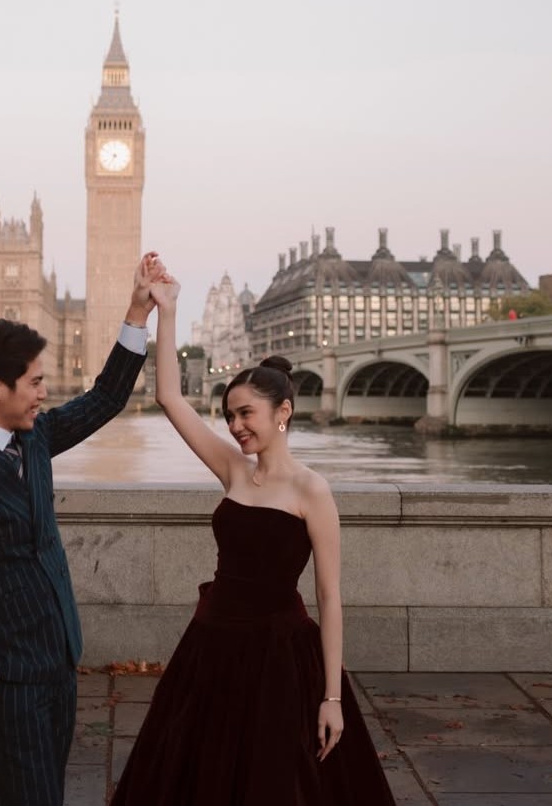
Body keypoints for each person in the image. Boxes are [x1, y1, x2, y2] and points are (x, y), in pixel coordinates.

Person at [112, 264, 396, 805]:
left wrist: (332, 697)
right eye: (229, 416)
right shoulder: (233, 469)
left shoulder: (313, 491)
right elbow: (170, 396)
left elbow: (330, 597)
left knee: (271, 779)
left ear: (282, 412)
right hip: (212, 644)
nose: (235, 425)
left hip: (278, 657)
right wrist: (167, 310)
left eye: (246, 414)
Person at [0, 253, 164, 806]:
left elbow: (105, 399)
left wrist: (137, 313)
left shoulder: (35, 438)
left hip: (58, 665)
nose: (45, 392)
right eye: (37, 382)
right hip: (6, 681)